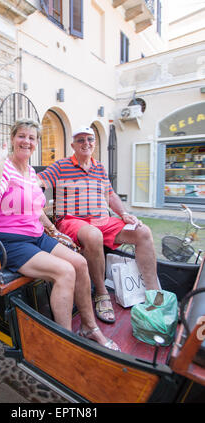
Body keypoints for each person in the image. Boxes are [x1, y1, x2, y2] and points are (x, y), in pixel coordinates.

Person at [0, 119, 120, 351]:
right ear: (13, 139)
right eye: (22, 136)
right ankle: (64, 342)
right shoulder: (2, 167)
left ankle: (89, 327)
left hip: (36, 235)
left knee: (80, 263)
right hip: (9, 240)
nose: (27, 141)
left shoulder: (32, 172)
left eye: (32, 138)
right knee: (65, 272)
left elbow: (36, 209)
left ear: (36, 144)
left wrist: (53, 231)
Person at [38, 125, 160, 324]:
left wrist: (124, 214)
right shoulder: (61, 166)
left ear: (94, 143)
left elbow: (110, 195)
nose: (86, 143)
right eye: (81, 140)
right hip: (71, 220)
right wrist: (20, 181)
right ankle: (101, 293)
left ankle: (155, 294)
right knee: (93, 235)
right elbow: (39, 182)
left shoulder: (100, 167)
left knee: (143, 231)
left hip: (101, 219)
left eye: (90, 139)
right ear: (73, 145)